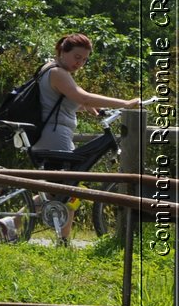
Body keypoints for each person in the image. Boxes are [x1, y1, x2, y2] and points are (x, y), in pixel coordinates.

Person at [30, 33, 143, 238]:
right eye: (76, 57)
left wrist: (91, 108)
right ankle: (59, 240)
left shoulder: (50, 69)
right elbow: (81, 96)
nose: (79, 63)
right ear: (62, 52)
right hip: (55, 137)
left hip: (53, 134)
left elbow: (66, 102)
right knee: (70, 189)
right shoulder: (58, 72)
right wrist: (125, 103)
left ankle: (14, 222)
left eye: (84, 60)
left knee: (60, 190)